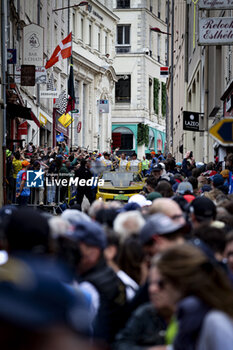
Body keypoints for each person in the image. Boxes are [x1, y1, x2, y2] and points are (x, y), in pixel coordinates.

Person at [152, 243, 233, 350]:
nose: (153, 289)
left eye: (161, 283)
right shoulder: (186, 317)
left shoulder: (214, 321)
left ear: (180, 282)